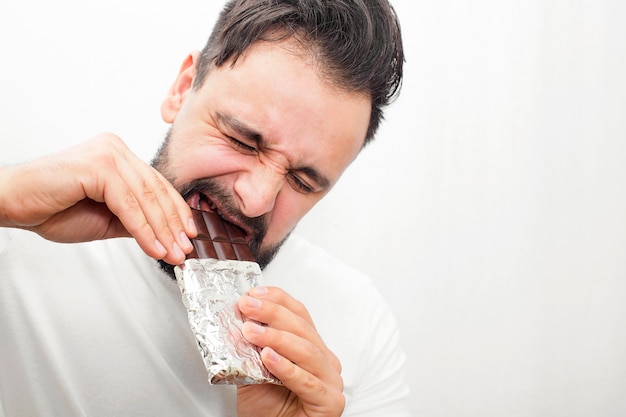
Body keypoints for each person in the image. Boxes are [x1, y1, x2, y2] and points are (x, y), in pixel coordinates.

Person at [0, 0, 408, 416]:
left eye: (302, 181)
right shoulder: (18, 234)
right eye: (243, 140)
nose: (257, 198)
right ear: (182, 89)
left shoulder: (358, 323)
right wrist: (6, 199)